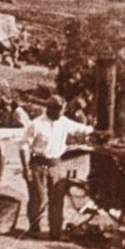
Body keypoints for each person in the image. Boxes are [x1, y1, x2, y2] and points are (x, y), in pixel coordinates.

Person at [18, 95, 95, 240]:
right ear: (49, 109)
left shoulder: (64, 122)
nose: (60, 114)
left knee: (57, 200)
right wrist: (25, 168)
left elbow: (81, 129)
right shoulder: (36, 124)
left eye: (62, 110)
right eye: (58, 110)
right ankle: (34, 229)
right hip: (38, 164)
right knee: (38, 199)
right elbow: (23, 146)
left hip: (55, 165)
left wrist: (95, 130)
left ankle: (55, 232)